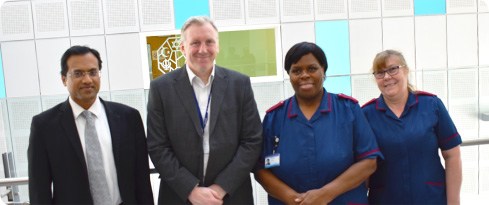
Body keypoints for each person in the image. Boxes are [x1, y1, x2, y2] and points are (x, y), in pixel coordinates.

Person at [146, 16, 262, 205]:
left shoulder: (239, 84)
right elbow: (157, 146)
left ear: (218, 46)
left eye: (209, 42)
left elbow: (252, 140)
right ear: (183, 48)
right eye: (195, 43)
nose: (203, 49)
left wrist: (221, 187)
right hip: (179, 195)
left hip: (231, 195)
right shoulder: (161, 88)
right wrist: (190, 190)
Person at [255, 42, 383, 205]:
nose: (304, 75)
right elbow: (260, 169)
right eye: (297, 70)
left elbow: (369, 161)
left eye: (312, 69)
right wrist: (294, 199)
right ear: (289, 75)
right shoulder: (274, 118)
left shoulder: (348, 110)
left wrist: (325, 194)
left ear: (324, 71)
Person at [28, 45, 154, 204]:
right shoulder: (44, 126)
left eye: (93, 72)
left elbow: (141, 178)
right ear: (64, 79)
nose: (87, 80)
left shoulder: (128, 118)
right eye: (78, 73)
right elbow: (39, 189)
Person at [362, 50, 462, 204]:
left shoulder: (431, 105)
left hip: (431, 198)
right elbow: (363, 169)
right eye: (380, 73)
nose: (387, 77)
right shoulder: (366, 115)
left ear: (406, 70)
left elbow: (452, 155)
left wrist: (453, 202)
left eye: (393, 69)